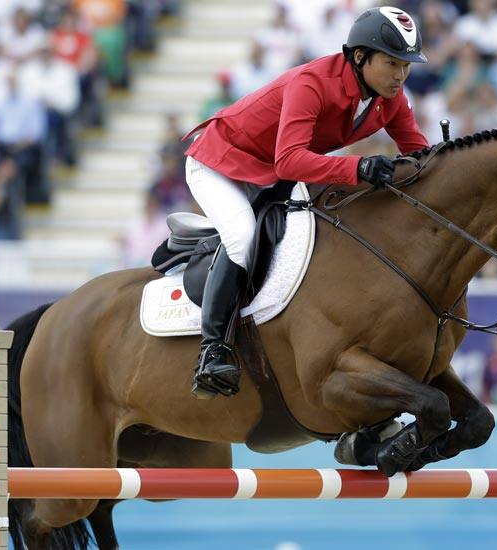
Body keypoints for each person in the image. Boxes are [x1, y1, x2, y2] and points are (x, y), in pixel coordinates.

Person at [182, 6, 430, 398]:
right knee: (243, 235)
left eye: (406, 65)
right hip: (221, 163)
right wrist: (360, 167)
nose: (400, 75)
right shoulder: (312, 83)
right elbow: (289, 159)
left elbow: (421, 156)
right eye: (392, 63)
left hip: (273, 176)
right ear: (360, 57)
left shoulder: (389, 99)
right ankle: (213, 350)